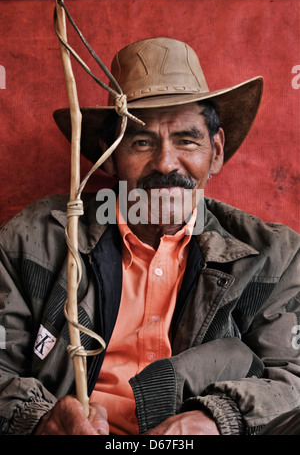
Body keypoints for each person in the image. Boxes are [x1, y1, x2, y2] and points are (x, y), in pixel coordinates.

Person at [0, 37, 300, 436]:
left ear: (217, 150)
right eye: (141, 141)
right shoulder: (36, 239)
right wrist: (37, 420)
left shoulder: (274, 256)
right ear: (108, 154)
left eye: (187, 140)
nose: (165, 163)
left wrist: (218, 419)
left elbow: (292, 377)